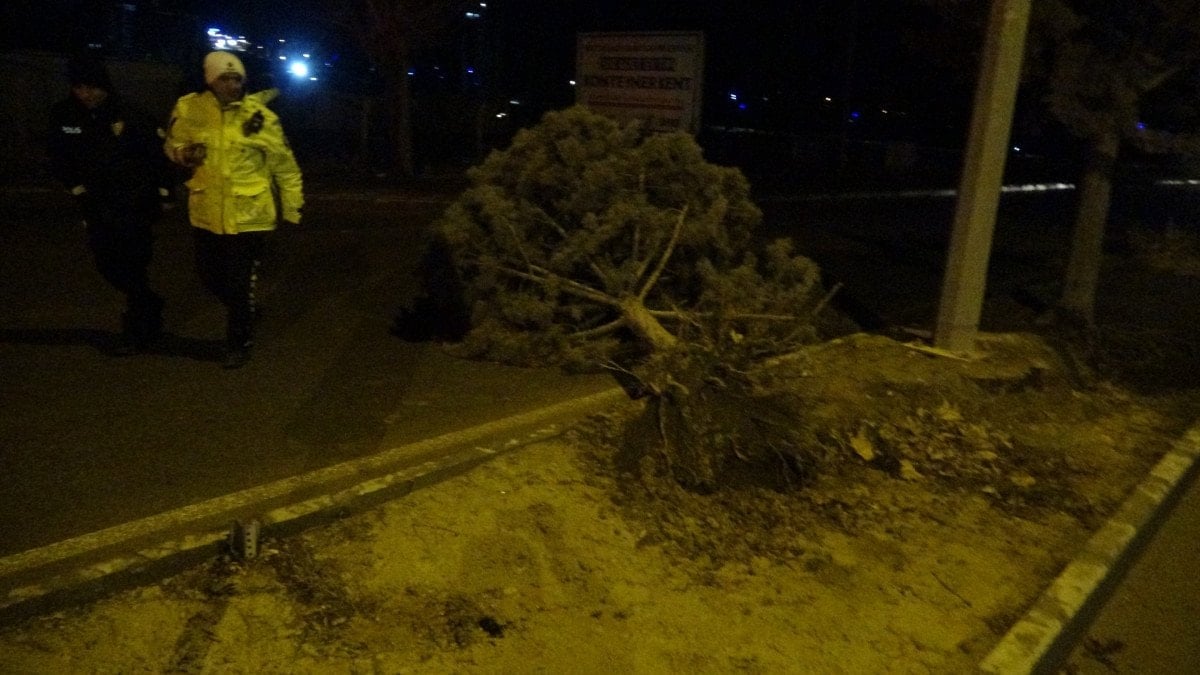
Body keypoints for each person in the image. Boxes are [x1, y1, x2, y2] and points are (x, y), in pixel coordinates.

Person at [163, 50, 304, 369]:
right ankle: (245, 310)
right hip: (207, 211)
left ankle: (239, 341)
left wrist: (292, 208)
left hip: (250, 215)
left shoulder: (261, 118)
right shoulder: (189, 108)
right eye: (224, 79)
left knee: (239, 281)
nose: (231, 85)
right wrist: (182, 153)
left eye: (236, 78)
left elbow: (285, 167)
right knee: (208, 275)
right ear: (210, 80)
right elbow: (172, 144)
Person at [47, 53, 170, 355]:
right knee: (106, 263)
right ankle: (148, 303)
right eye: (79, 87)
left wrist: (165, 192)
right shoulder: (64, 116)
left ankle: (137, 330)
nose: (86, 94)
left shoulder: (129, 114)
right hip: (95, 204)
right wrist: (76, 189)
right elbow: (59, 156)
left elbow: (158, 154)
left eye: (92, 87)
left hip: (134, 201)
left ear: (104, 85)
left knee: (134, 263)